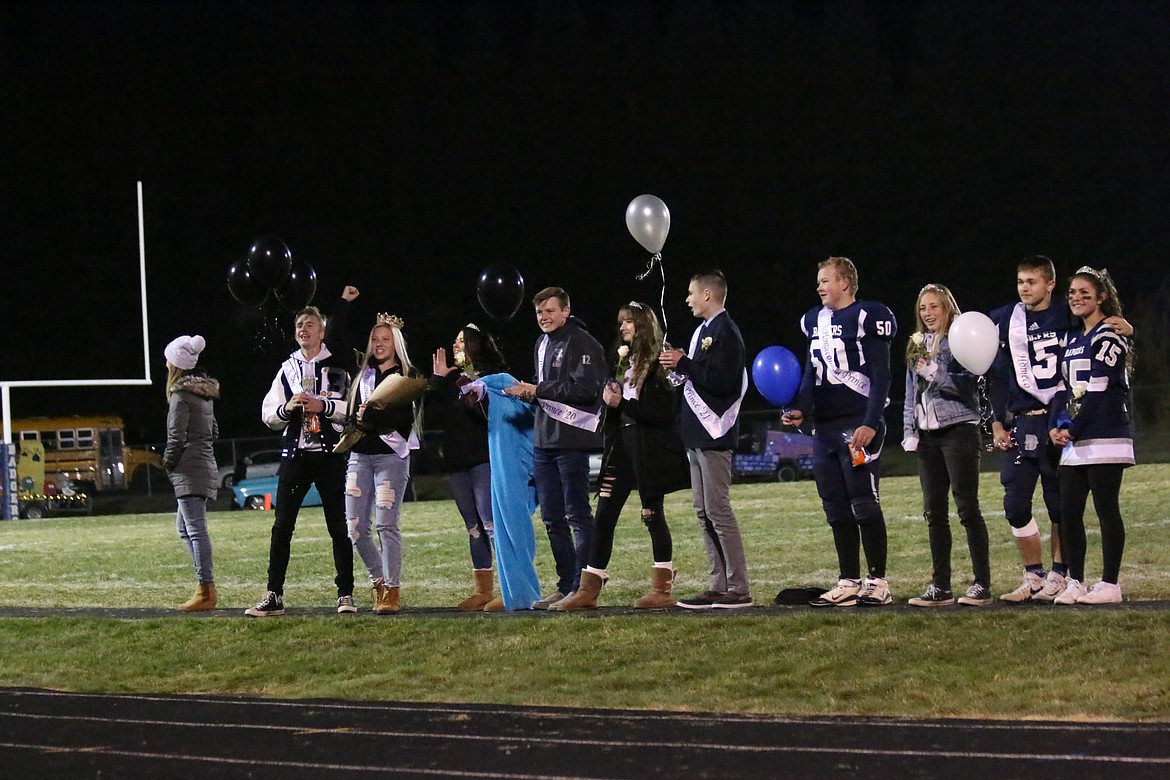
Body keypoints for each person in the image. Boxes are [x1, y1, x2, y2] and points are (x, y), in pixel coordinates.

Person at [987, 256, 1133, 603]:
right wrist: (997, 420)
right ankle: (1057, 578)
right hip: (1055, 429)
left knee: (1089, 508)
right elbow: (1067, 388)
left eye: (1032, 281)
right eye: (1020, 281)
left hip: (1096, 431)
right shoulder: (1013, 319)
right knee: (1040, 505)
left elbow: (1099, 382)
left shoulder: (1081, 324)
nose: (1025, 288)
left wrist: (1068, 425)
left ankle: (1087, 579)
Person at [552, 302, 690, 611]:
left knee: (653, 516)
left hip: (648, 452)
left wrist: (620, 404)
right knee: (603, 517)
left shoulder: (659, 362)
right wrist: (608, 406)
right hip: (620, 451)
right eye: (621, 322)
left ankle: (661, 588)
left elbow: (663, 414)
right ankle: (589, 589)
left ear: (643, 325)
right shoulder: (624, 361)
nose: (623, 328)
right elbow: (617, 408)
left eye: (628, 322)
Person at [783, 257, 896, 608]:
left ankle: (878, 581)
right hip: (825, 428)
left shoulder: (867, 316)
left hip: (856, 425)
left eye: (825, 280)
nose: (819, 287)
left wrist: (870, 422)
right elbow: (808, 372)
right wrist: (801, 407)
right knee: (834, 506)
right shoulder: (813, 321)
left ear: (845, 283)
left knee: (863, 502)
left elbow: (881, 376)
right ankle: (848, 580)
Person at [245, 290, 358, 617]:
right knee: (281, 527)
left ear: (322, 331)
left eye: (310, 324)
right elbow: (268, 415)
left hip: (329, 456)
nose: (303, 329)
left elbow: (352, 410)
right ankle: (274, 594)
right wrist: (287, 407)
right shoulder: (287, 368)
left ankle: (345, 594)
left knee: (338, 526)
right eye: (299, 325)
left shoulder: (337, 365)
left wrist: (323, 405)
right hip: (295, 455)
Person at [504, 287, 605, 609]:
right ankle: (565, 585)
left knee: (576, 514)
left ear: (566, 310)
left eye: (549, 311)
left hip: (571, 440)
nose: (544, 318)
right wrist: (525, 390)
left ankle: (583, 589)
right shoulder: (542, 343)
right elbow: (543, 384)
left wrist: (539, 389)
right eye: (539, 313)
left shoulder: (583, 342)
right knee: (551, 518)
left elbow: (587, 389)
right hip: (544, 440)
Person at [660, 270, 753, 609]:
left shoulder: (726, 332)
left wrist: (685, 363)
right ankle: (719, 583)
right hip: (697, 434)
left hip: (715, 434)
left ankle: (739, 589)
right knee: (703, 512)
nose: (687, 299)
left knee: (719, 511)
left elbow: (724, 382)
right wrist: (680, 367)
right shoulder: (704, 331)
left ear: (708, 295)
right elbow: (700, 376)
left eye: (691, 293)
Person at [900, 285, 992, 607]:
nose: (927, 313)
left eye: (934, 306)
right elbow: (911, 393)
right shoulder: (916, 343)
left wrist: (935, 372)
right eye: (923, 307)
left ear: (947, 307)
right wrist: (910, 430)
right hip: (927, 437)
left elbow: (969, 389)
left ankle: (982, 584)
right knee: (934, 513)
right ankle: (941, 586)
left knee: (967, 508)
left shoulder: (961, 340)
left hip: (959, 431)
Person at [1049, 267, 1134, 605]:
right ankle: (1076, 580)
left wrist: (1072, 429)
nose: (1077, 298)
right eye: (1072, 293)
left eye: (1085, 292)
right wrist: (1057, 424)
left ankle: (1110, 584)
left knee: (1105, 509)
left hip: (1105, 434)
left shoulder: (1110, 334)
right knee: (1068, 511)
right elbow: (1063, 389)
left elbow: (1098, 389)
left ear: (1101, 297)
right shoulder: (1072, 339)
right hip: (1076, 437)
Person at [340, 310, 423, 614]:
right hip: (359, 456)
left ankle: (393, 590)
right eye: (375, 339)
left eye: (385, 339)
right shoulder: (363, 375)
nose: (379, 344)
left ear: (396, 343)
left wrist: (371, 415)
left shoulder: (406, 375)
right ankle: (379, 581)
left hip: (391, 456)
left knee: (386, 524)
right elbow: (338, 339)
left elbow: (401, 417)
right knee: (355, 527)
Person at [427, 323, 508, 610]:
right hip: (457, 461)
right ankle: (483, 590)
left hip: (483, 459)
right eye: (455, 340)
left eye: (462, 341)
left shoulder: (490, 378)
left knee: (490, 524)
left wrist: (471, 387)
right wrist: (438, 380)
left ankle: (509, 588)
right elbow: (433, 416)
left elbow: (491, 417)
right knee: (472, 527)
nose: (456, 345)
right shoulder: (450, 379)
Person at [161, 334, 220, 612]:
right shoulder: (203, 394)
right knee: (184, 528)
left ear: (175, 364)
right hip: (204, 463)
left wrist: (168, 463)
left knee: (195, 530)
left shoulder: (180, 395)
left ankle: (206, 589)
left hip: (189, 468)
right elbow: (214, 432)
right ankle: (204, 584)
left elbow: (176, 437)